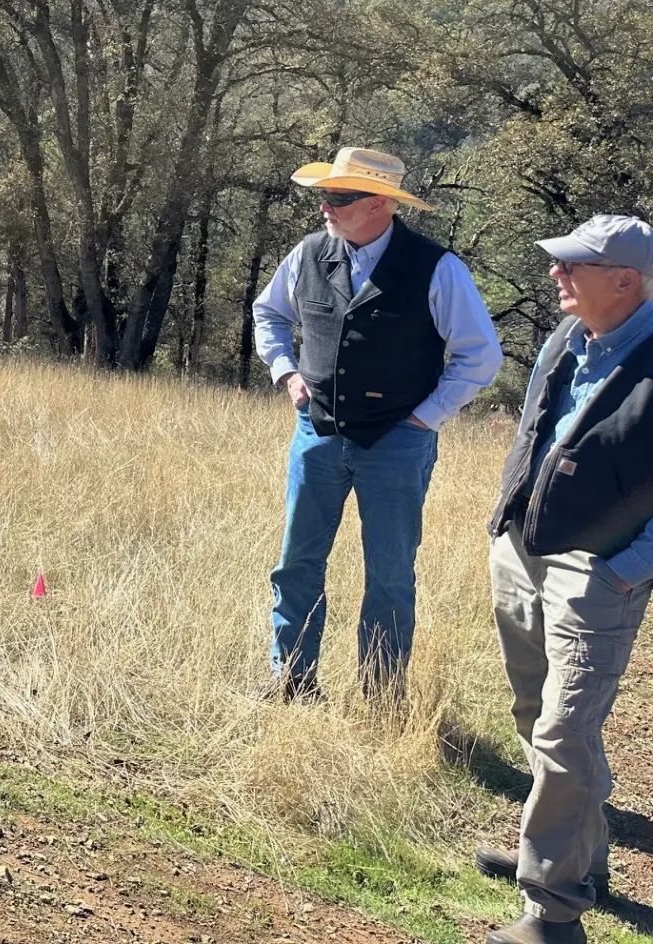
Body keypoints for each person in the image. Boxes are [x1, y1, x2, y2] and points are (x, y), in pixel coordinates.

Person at [252, 147, 501, 698]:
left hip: (398, 444)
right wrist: (286, 372)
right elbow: (268, 313)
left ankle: (382, 695)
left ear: (380, 204)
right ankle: (290, 680)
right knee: (297, 561)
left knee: (389, 573)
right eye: (325, 194)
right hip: (316, 433)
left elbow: (480, 356)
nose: (325, 206)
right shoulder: (308, 254)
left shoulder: (438, 268)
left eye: (339, 197)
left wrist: (425, 417)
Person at [475, 215, 653, 944]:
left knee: (564, 731)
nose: (556, 275)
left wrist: (623, 572)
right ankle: (579, 859)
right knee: (533, 714)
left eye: (573, 266)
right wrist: (506, 529)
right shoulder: (567, 337)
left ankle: (553, 913)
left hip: (597, 575)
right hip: (525, 551)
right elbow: (537, 435)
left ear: (625, 282)